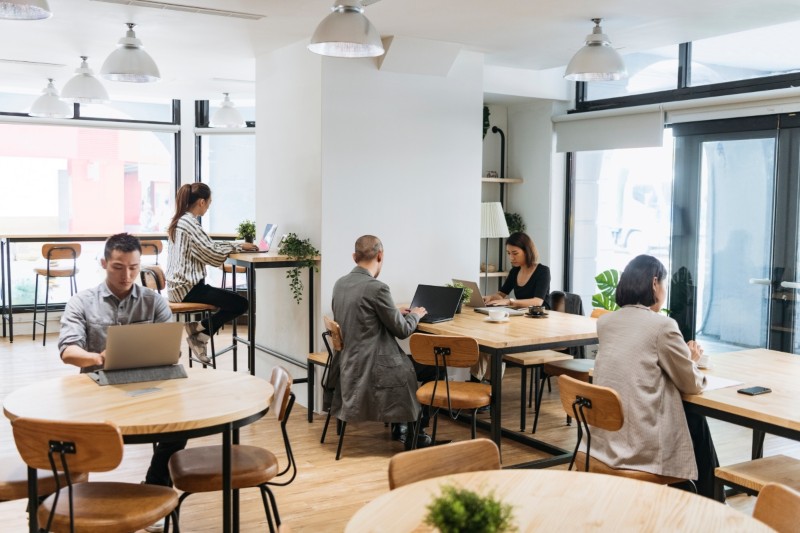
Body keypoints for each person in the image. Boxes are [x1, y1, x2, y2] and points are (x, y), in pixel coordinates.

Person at [58, 233, 181, 533]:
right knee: (72, 437)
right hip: (96, 389)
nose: (126, 275)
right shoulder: (82, 301)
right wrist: (95, 358)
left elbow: (173, 349)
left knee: (178, 428)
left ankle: (154, 488)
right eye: (117, 267)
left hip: (147, 386)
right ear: (103, 263)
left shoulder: (154, 302)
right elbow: (67, 350)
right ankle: (70, 504)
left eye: (133, 268)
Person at [589, 254, 721, 500]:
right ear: (654, 283)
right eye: (664, 284)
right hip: (640, 443)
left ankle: (695, 500)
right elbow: (690, 384)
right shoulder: (662, 326)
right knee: (695, 421)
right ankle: (712, 505)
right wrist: (691, 360)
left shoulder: (606, 322)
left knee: (692, 422)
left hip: (604, 440)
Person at [329, 235, 435, 449]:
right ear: (380, 255)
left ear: (354, 257)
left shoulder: (340, 284)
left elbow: (360, 316)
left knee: (417, 365)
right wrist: (415, 314)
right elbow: (403, 330)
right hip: (375, 366)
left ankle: (400, 426)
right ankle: (416, 432)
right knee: (434, 368)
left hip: (349, 362)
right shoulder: (377, 288)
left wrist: (392, 311)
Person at [166, 182, 259, 363]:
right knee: (241, 303)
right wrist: (238, 244)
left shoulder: (181, 220)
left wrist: (235, 245)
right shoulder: (189, 223)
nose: (208, 207)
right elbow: (211, 251)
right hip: (188, 289)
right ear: (201, 202)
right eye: (209, 202)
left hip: (179, 287)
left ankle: (197, 328)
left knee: (234, 301)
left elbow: (209, 248)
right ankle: (199, 336)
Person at [484, 232, 551, 309]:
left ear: (527, 251)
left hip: (541, 316)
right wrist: (490, 297)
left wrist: (509, 301)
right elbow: (501, 294)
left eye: (515, 253)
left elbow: (537, 302)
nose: (511, 258)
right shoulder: (514, 271)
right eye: (509, 253)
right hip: (523, 313)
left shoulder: (543, 271)